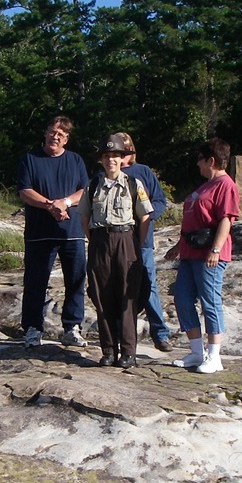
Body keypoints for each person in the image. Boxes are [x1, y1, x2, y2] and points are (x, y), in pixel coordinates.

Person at [164, 137, 240, 374]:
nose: (197, 163)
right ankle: (197, 352)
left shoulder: (225, 185)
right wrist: (178, 246)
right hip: (189, 252)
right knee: (182, 299)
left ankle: (214, 356)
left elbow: (226, 219)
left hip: (209, 253)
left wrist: (215, 249)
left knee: (210, 301)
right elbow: (192, 221)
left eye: (200, 159)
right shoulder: (205, 186)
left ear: (211, 160)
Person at [78, 134, 153, 368]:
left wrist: (136, 245)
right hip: (100, 241)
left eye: (115, 155)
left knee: (127, 297)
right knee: (102, 297)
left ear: (123, 159)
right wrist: (95, 241)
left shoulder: (133, 184)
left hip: (126, 240)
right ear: (101, 159)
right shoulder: (92, 186)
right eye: (107, 156)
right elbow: (84, 217)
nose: (111, 160)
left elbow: (145, 217)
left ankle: (128, 353)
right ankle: (108, 351)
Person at [16, 115, 90, 348]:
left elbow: (85, 191)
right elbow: (25, 191)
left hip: (72, 232)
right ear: (45, 133)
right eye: (52, 132)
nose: (55, 137)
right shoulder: (30, 159)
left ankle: (72, 328)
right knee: (35, 283)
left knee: (76, 281)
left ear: (66, 139)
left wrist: (64, 203)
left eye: (60, 134)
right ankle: (32, 329)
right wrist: (50, 205)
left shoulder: (75, 160)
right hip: (39, 233)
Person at [117, 132, 173, 353]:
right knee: (119, 286)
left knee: (148, 284)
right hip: (116, 240)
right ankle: (122, 335)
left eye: (126, 149)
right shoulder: (106, 174)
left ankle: (160, 334)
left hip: (143, 239)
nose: (122, 154)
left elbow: (159, 201)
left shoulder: (143, 171)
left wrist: (146, 216)